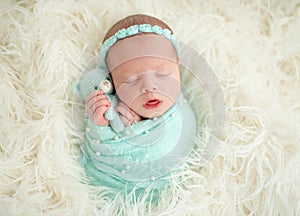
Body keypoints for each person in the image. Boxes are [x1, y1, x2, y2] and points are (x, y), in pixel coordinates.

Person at [73, 14, 197, 202]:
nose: (149, 86)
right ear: (112, 80)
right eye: (131, 79)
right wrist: (100, 124)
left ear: (177, 65)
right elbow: (102, 152)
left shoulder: (179, 103)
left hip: (185, 196)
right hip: (119, 196)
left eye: (163, 74)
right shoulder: (114, 109)